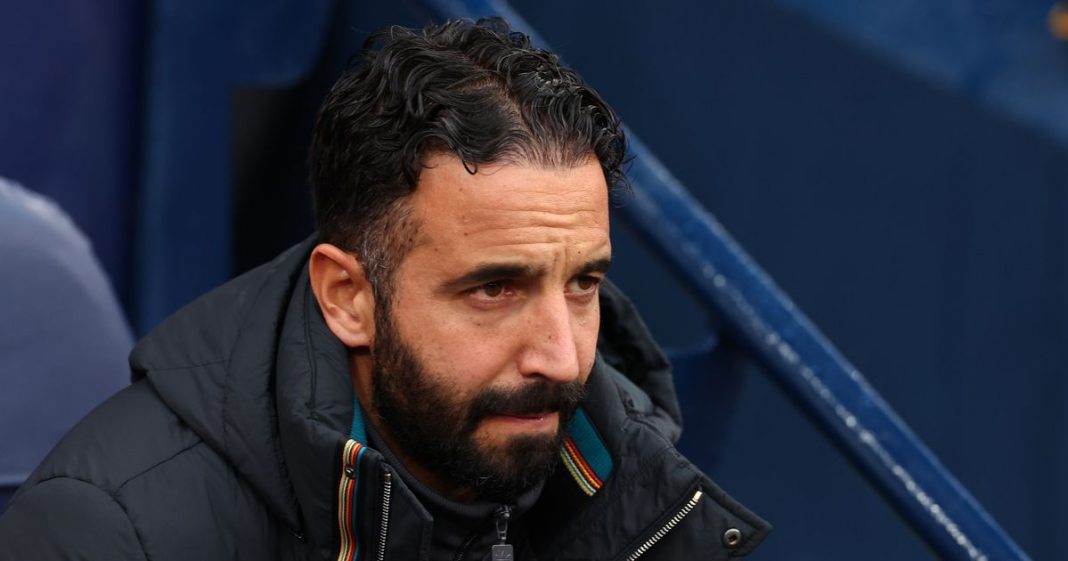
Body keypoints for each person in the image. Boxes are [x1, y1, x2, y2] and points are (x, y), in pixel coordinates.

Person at [0, 18, 769, 560]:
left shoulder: (626, 479)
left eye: (582, 282)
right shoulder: (112, 532)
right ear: (348, 296)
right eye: (494, 289)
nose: (563, 357)